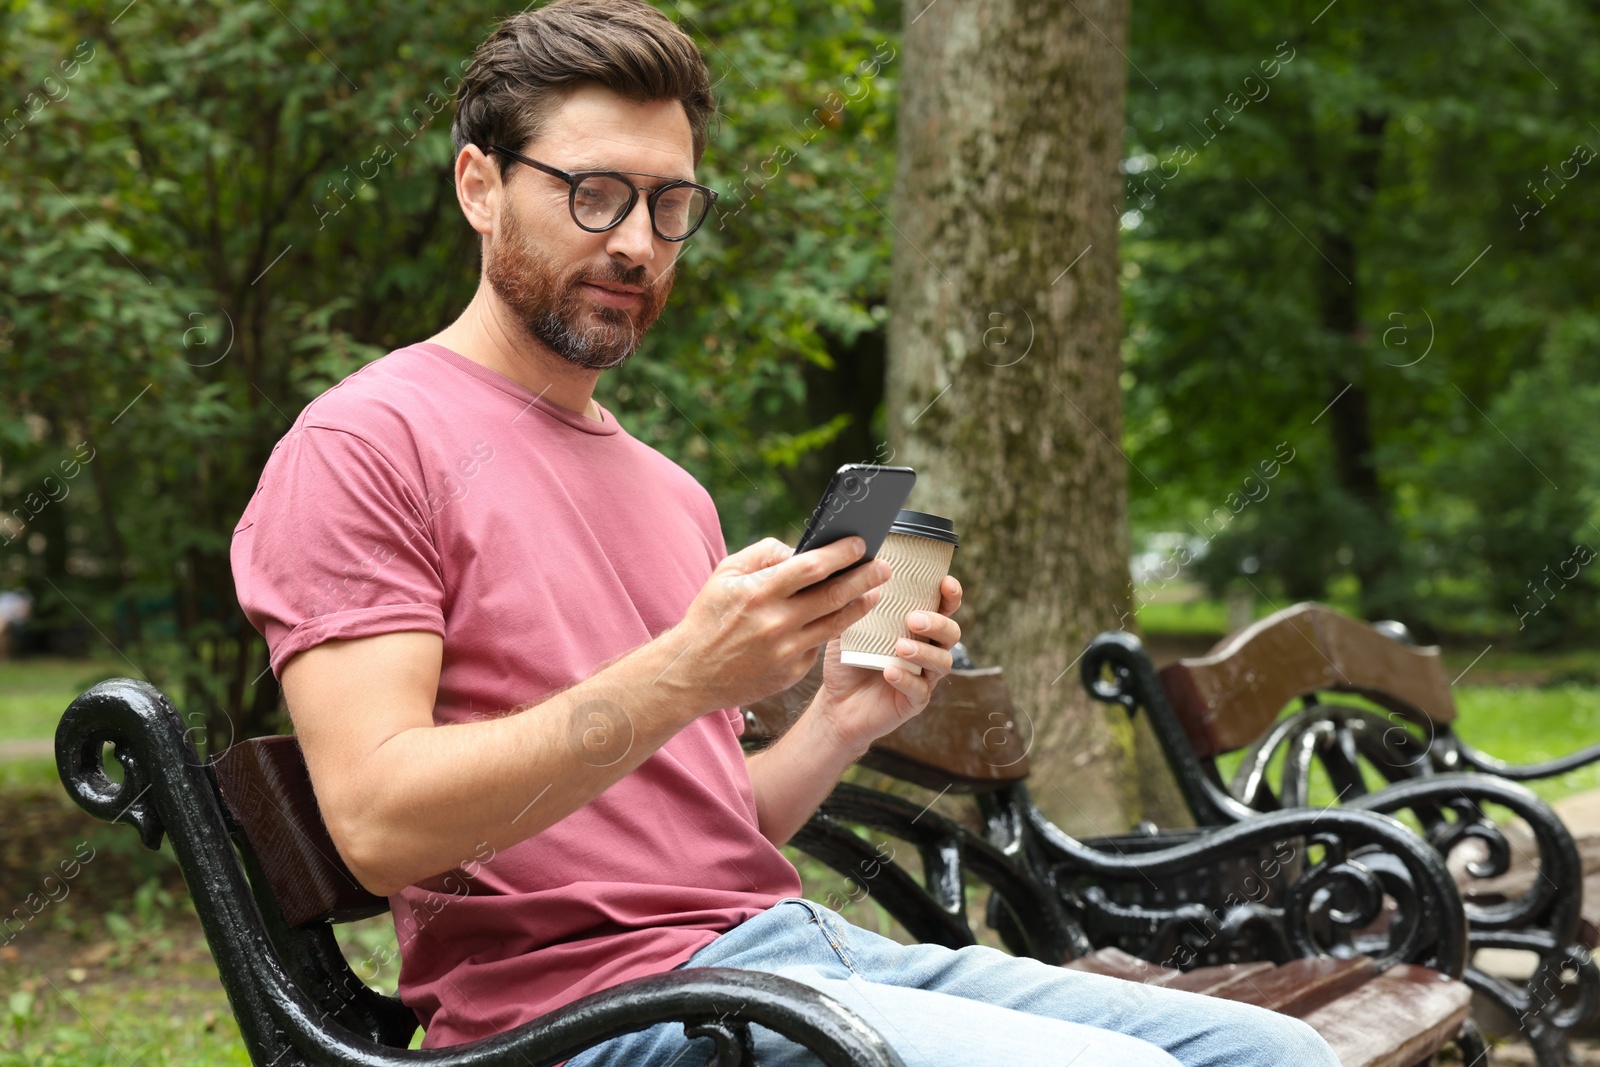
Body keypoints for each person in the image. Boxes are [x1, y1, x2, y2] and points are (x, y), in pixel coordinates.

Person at [229, 2, 1339, 1064]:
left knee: (1273, 1048)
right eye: (595, 194)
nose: (637, 243)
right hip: (590, 1019)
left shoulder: (667, 489)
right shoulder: (366, 443)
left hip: (783, 954)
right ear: (480, 184)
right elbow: (377, 823)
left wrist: (843, 720)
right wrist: (682, 670)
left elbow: (707, 834)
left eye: (671, 206)